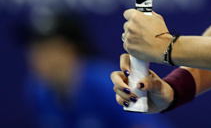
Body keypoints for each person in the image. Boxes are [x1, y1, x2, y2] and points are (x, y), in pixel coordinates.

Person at [18, 11, 175, 128]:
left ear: (71, 50)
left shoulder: (106, 83)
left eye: (48, 49)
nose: (36, 56)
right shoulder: (36, 89)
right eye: (34, 48)